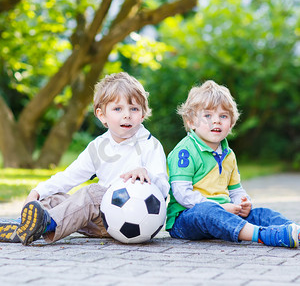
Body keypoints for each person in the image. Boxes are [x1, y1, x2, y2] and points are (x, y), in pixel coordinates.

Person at [0, 72, 169, 245]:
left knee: (92, 193)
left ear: (142, 114)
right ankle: (25, 227)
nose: (127, 115)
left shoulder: (150, 145)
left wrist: (146, 173)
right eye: (118, 109)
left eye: (134, 109)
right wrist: (37, 191)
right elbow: (69, 176)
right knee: (53, 199)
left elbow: (163, 189)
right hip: (99, 219)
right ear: (101, 115)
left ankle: (45, 225)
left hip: (135, 221)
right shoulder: (98, 147)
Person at [166, 80, 300, 248]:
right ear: (191, 122)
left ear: (231, 123)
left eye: (223, 116)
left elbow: (235, 189)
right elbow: (182, 193)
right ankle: (263, 235)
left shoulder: (228, 154)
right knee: (208, 212)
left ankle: (293, 231)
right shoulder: (185, 151)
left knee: (260, 214)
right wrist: (221, 207)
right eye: (207, 115)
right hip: (186, 219)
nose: (216, 121)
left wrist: (242, 203)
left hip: (224, 213)